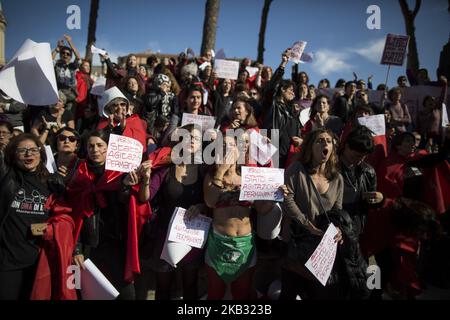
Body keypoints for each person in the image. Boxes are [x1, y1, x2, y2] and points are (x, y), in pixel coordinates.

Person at [70, 130, 152, 300]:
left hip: (116, 246)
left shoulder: (120, 174)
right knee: (91, 295)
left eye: (100, 145)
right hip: (90, 247)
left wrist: (125, 185)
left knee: (126, 295)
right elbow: (75, 215)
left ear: (109, 149)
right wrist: (76, 249)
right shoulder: (79, 174)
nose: (95, 149)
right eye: (91, 146)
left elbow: (126, 202)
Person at [203, 135, 274, 299]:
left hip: (245, 245)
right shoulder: (211, 175)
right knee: (215, 294)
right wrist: (220, 171)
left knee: (241, 294)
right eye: (223, 147)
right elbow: (210, 201)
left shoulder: (247, 176)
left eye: (231, 146)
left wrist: (275, 194)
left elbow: (262, 209)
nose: (227, 150)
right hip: (218, 245)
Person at [280, 129, 344, 300]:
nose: (325, 144)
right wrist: (306, 223)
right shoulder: (296, 169)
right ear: (310, 147)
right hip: (297, 243)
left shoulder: (337, 178)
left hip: (322, 250)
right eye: (320, 141)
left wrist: (338, 229)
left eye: (328, 141)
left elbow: (337, 211)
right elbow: (287, 200)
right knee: (289, 293)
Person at [0, 134, 64, 299]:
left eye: (34, 150)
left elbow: (66, 217)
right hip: (8, 262)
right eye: (22, 150)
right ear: (14, 156)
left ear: (41, 154)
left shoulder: (53, 183)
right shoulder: (6, 179)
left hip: (41, 262)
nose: (29, 154)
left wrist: (51, 228)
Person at [148, 124, 206, 300]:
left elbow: (213, 199)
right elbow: (147, 196)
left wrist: (202, 206)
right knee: (163, 286)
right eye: (186, 137)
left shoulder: (205, 170)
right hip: (165, 234)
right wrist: (144, 179)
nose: (190, 141)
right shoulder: (166, 167)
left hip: (192, 235)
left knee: (190, 284)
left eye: (195, 138)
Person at [262, 48, 302, 168]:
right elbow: (271, 88)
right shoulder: (272, 104)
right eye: (290, 90)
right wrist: (283, 63)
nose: (293, 93)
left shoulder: (292, 111)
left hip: (289, 158)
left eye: (294, 91)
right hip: (273, 155)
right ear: (282, 90)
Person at [52, 35, 81, 112]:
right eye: (63, 53)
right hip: (60, 93)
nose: (65, 55)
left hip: (71, 94)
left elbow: (78, 57)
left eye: (68, 54)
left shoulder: (72, 66)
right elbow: (49, 60)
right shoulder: (57, 65)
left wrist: (69, 42)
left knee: (69, 117)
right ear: (60, 55)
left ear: (70, 57)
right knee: (57, 113)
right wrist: (57, 49)